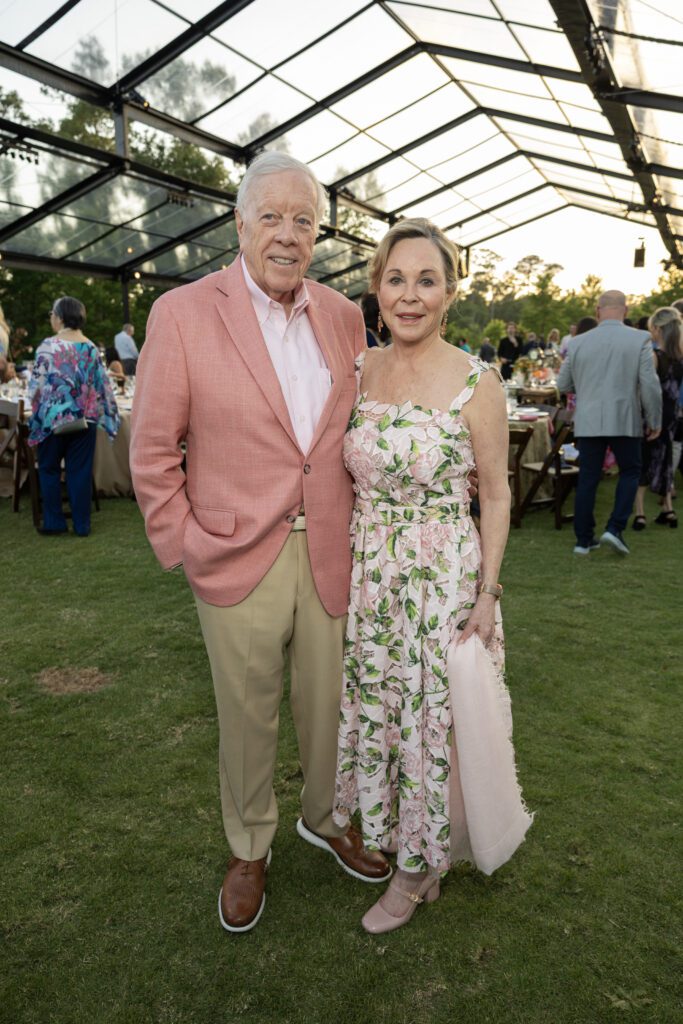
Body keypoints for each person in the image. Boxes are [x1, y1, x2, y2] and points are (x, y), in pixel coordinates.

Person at [130, 152, 391, 935]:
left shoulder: (343, 316)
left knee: (329, 705)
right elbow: (152, 448)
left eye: (303, 220)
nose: (287, 234)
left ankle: (324, 816)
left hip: (330, 549)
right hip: (234, 552)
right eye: (271, 216)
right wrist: (184, 543)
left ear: (317, 235)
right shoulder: (182, 312)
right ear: (239, 223)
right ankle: (249, 846)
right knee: (245, 714)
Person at [333, 218, 531, 934]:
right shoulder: (360, 369)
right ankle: (409, 840)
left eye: (426, 281)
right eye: (396, 279)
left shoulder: (478, 383)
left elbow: (497, 495)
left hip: (440, 577)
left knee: (431, 718)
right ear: (376, 289)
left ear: (449, 293)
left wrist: (487, 594)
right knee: (384, 710)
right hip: (371, 574)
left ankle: (416, 873)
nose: (409, 296)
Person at [557, 290, 661, 555]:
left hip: (588, 418)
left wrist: (586, 391)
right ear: (626, 310)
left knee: (588, 477)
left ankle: (583, 540)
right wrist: (654, 419)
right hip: (625, 417)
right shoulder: (640, 339)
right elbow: (650, 385)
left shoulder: (577, 342)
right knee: (630, 471)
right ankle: (614, 528)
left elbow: (563, 384)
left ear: (597, 310)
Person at [28, 296, 119, 536]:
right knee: (80, 472)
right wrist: (107, 415)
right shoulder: (90, 347)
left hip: (54, 420)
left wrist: (37, 411)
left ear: (59, 317)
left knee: (49, 468)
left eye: (52, 313)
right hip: (85, 421)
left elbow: (36, 387)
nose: (51, 317)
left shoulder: (48, 346)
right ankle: (82, 525)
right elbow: (102, 385)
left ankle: (55, 522)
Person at [632, 307, 683, 530]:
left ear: (658, 329)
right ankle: (668, 509)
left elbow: (647, 390)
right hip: (672, 414)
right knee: (665, 460)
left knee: (644, 460)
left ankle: (640, 513)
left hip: (653, 414)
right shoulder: (679, 358)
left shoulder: (654, 356)